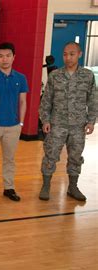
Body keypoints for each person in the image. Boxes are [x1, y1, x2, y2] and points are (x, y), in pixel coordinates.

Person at [39, 42, 96, 201]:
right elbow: (46, 101)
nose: (68, 57)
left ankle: (73, 186)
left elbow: (93, 100)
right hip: (57, 124)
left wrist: (91, 121)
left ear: (80, 54)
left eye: (71, 54)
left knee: (75, 157)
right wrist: (45, 120)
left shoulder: (87, 76)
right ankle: (46, 185)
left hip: (79, 126)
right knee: (50, 155)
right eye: (65, 54)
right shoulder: (55, 76)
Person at [0, 42, 29, 201]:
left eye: (8, 56)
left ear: (13, 57)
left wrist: (21, 123)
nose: (5, 59)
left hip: (13, 127)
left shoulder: (21, 78)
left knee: (9, 160)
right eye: (1, 56)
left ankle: (9, 188)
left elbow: (23, 102)